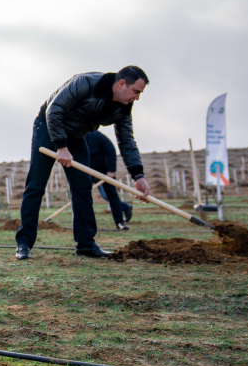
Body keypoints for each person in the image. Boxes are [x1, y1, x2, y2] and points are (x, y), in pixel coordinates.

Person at [15, 66, 150, 261]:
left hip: (77, 137)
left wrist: (139, 176)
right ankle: (24, 243)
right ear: (122, 84)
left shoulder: (124, 107)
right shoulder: (86, 83)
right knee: (36, 184)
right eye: (136, 91)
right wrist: (61, 146)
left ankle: (86, 244)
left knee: (83, 187)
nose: (137, 98)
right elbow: (54, 110)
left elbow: (127, 141)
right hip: (48, 127)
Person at [84, 130, 133, 230]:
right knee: (84, 195)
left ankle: (120, 222)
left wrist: (111, 170)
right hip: (87, 170)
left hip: (105, 170)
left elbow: (111, 150)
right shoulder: (74, 137)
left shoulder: (96, 135)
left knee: (111, 194)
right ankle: (84, 225)